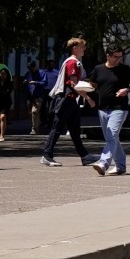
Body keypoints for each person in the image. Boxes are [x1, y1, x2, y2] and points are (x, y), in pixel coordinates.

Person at [41, 38, 88, 166]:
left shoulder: (72, 62)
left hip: (70, 99)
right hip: (66, 98)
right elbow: (73, 83)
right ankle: (47, 155)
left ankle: (84, 155)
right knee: (57, 128)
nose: (84, 49)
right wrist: (88, 97)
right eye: (82, 46)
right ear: (75, 48)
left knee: (74, 129)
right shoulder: (73, 63)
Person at [89, 47, 130, 175]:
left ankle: (104, 162)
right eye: (116, 57)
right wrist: (90, 89)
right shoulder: (99, 69)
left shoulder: (124, 69)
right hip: (103, 108)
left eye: (120, 57)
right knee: (112, 138)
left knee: (111, 135)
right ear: (108, 56)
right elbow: (92, 83)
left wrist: (127, 90)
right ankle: (121, 166)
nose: (119, 59)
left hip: (119, 108)